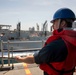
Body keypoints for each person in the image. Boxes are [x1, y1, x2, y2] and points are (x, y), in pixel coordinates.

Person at [15, 8, 76, 75]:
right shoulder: (73, 42)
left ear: (63, 23)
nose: (52, 26)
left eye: (54, 22)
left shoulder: (55, 46)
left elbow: (33, 59)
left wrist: (20, 59)